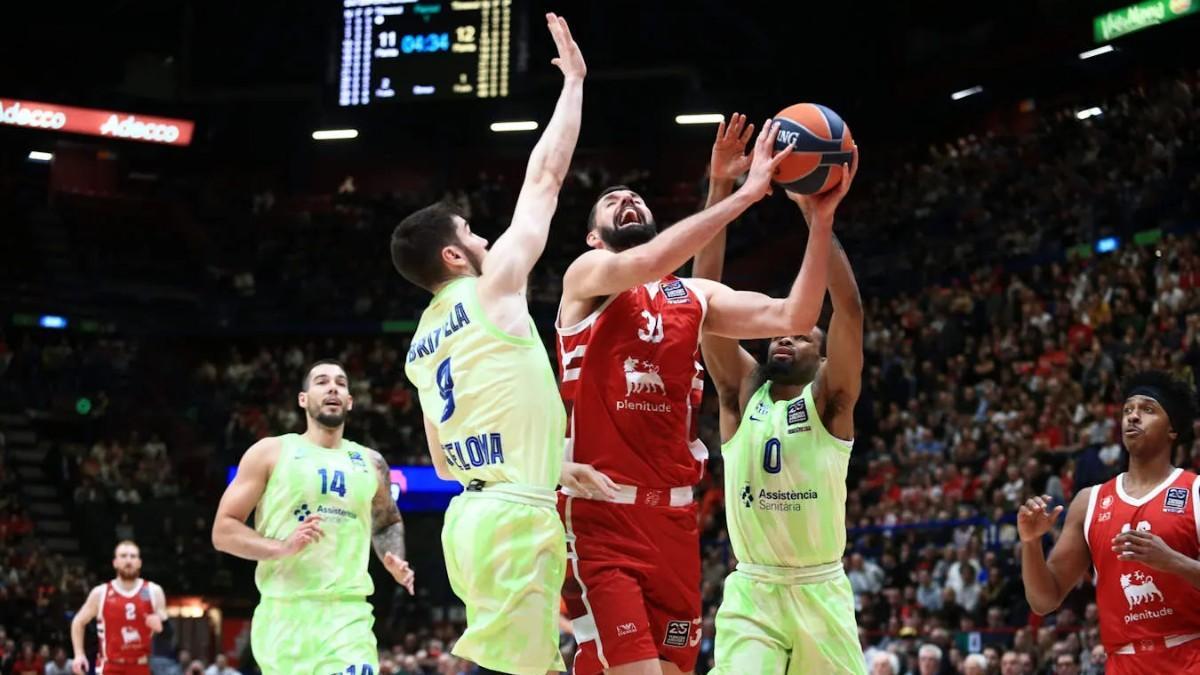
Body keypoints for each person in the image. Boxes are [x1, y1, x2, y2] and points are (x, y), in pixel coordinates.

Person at [554, 113, 833, 675]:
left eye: (634, 197)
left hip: (675, 527)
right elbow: (645, 262)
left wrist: (821, 223)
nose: (626, 200)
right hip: (601, 518)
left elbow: (796, 314)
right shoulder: (586, 278)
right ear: (592, 235)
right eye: (612, 202)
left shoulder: (695, 296)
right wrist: (743, 193)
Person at [392, 13, 585, 675]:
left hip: (466, 519)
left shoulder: (419, 347)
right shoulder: (493, 286)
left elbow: (444, 462)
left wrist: (546, 455)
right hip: (510, 517)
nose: (484, 239)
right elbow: (545, 181)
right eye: (473, 232)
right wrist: (575, 86)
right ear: (453, 253)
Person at [696, 116, 863, 674]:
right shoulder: (742, 393)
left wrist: (819, 219)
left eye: (801, 334)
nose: (785, 335)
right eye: (780, 331)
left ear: (821, 357)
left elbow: (850, 314)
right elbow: (704, 301)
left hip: (821, 590)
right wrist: (721, 188)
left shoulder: (830, 404)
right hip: (754, 593)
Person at [212, 360, 414, 674]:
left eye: (341, 383)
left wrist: (394, 557)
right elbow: (223, 531)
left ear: (350, 401)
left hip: (349, 616)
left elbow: (387, 520)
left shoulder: (371, 462)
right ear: (303, 399)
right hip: (285, 615)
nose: (332, 386)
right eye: (321, 381)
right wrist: (280, 548)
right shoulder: (270, 452)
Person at [1019, 371, 1200, 674]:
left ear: (1172, 430)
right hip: (1122, 662)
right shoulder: (1089, 502)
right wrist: (1031, 543)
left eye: (1147, 410)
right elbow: (1044, 600)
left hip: (1190, 656)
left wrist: (1173, 562)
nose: (1133, 417)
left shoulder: (1195, 491)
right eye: (1128, 410)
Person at [70, 541, 167, 675]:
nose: (128, 560)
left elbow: (167, 628)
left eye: (133, 556)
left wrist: (161, 624)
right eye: (123, 556)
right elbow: (78, 622)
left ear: (139, 562)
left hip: (140, 666)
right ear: (115, 562)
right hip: (110, 667)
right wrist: (79, 654)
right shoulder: (100, 593)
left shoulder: (154, 591)